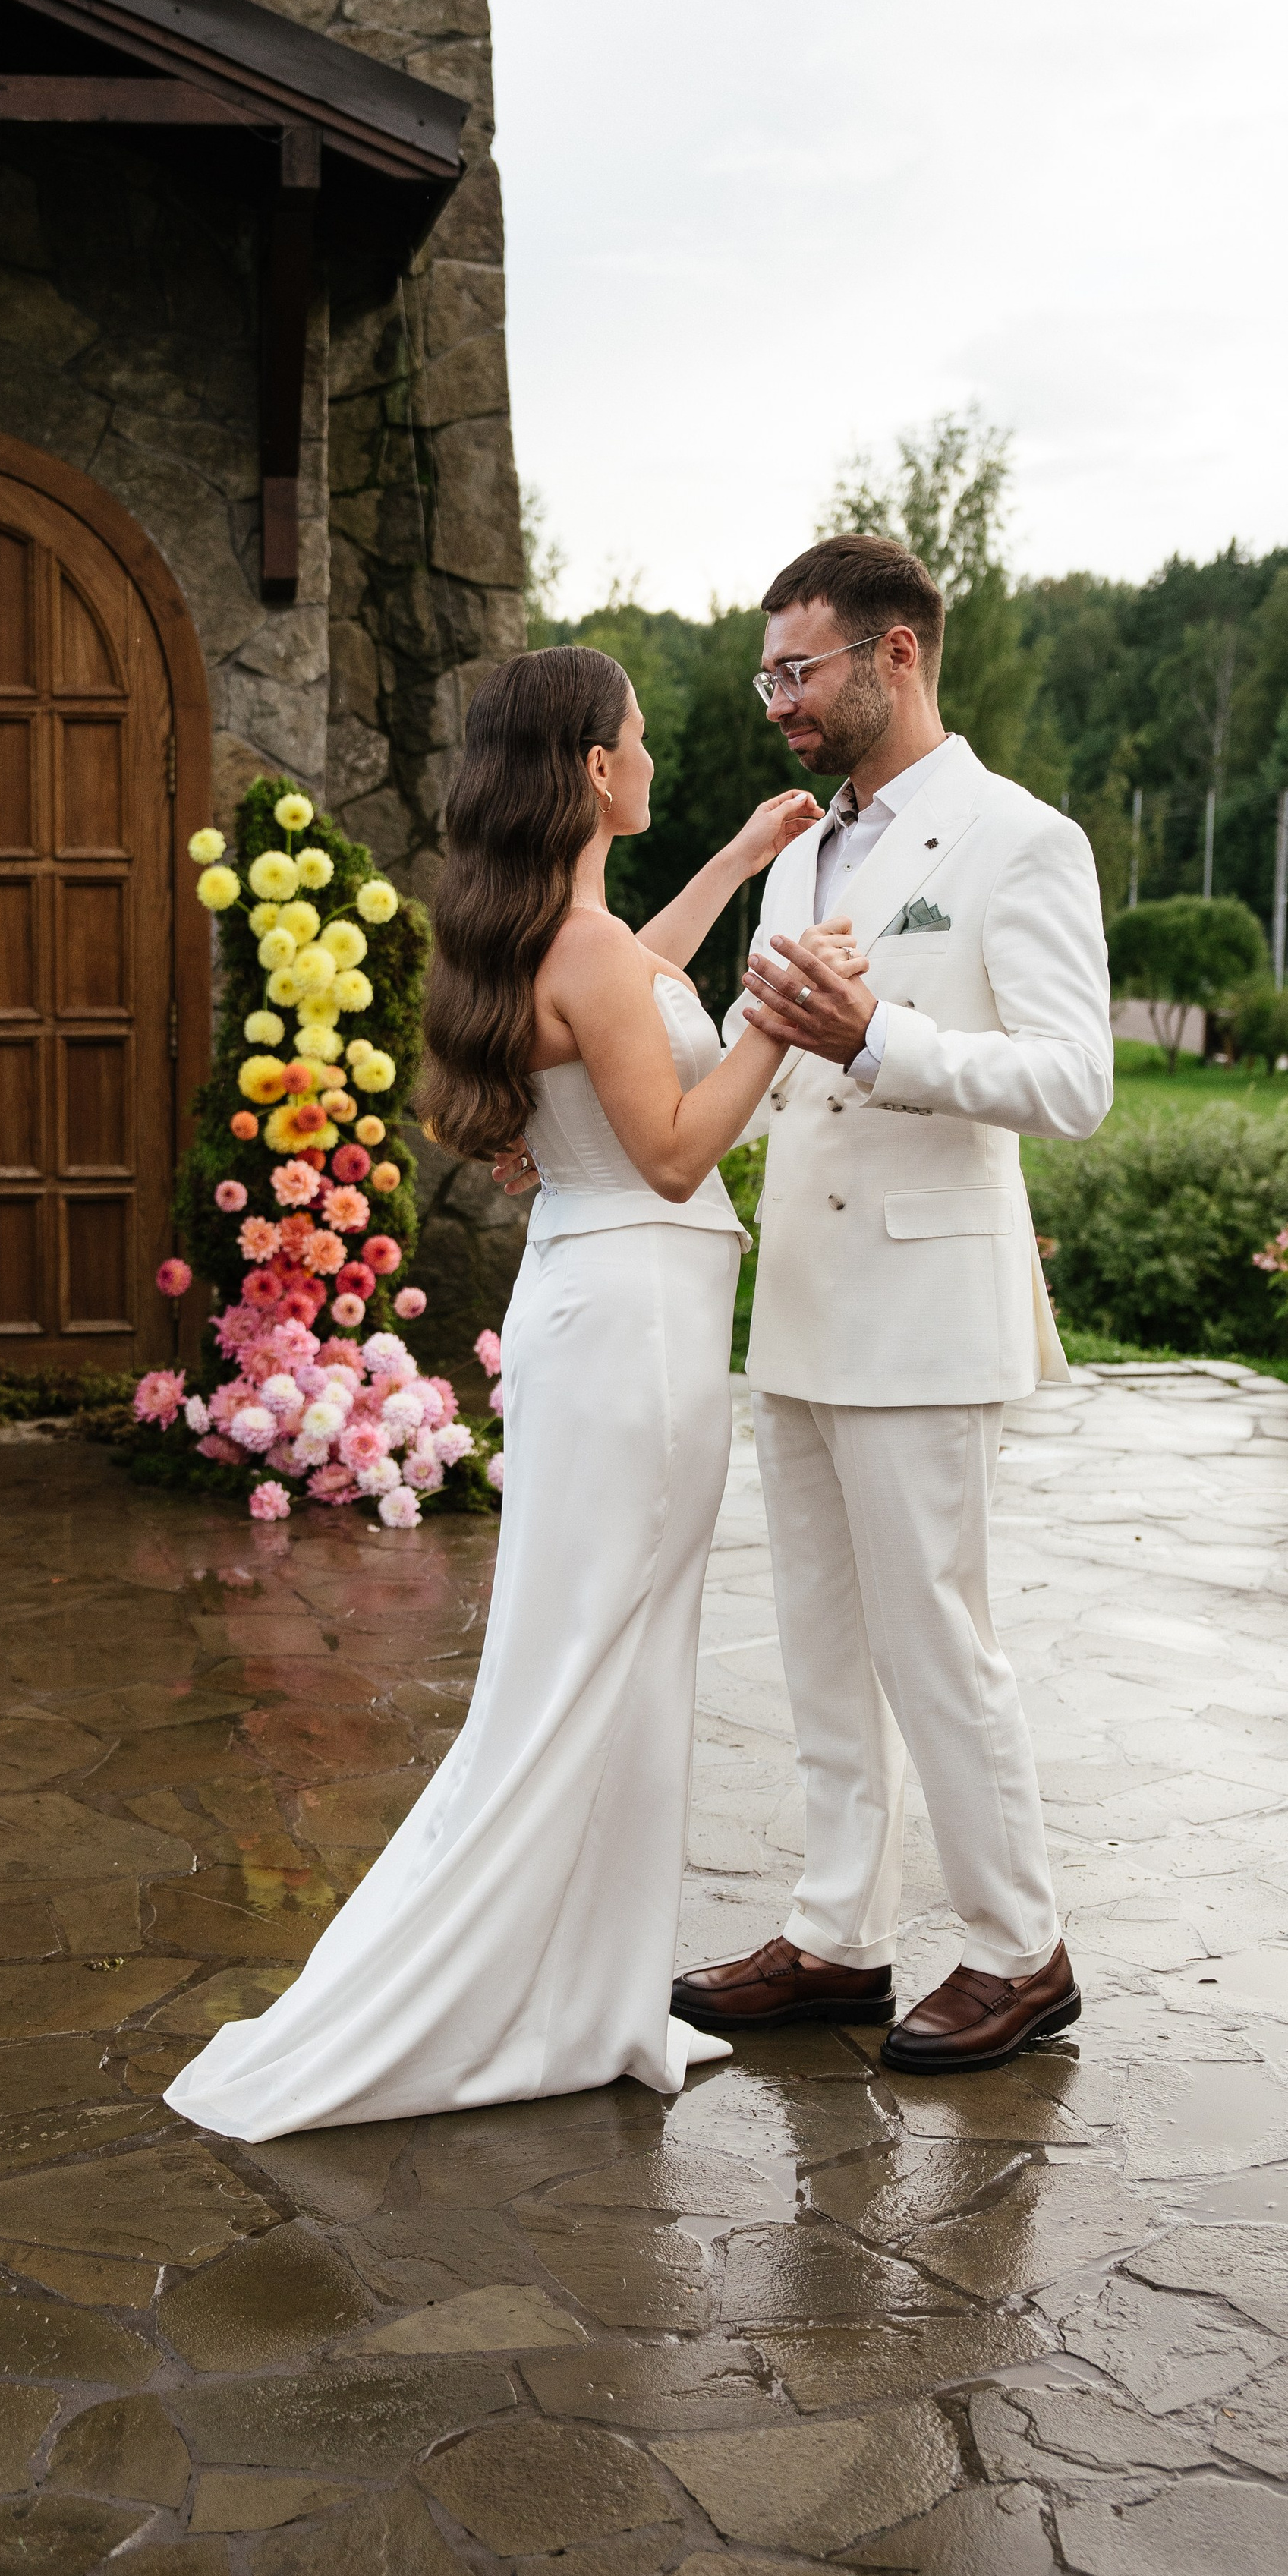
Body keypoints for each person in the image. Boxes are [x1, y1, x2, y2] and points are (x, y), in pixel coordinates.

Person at [163, 646, 823, 2141]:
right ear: (593, 767)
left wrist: (726, 864)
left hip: (600, 1306)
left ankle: (589, 2002)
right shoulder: (581, 953)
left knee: (602, 1659)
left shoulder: (569, 935)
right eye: (640, 740)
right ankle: (506, 1999)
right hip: (639, 1323)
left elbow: (637, 994)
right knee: (595, 1663)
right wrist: (778, 1022)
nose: (653, 756)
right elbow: (670, 1150)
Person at [665, 533, 1113, 2072]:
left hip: (924, 1312)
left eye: (798, 670)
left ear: (895, 655)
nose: (776, 701)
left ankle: (1017, 1949)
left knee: (936, 1643)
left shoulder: (1020, 837)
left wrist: (881, 1039)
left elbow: (1072, 1082)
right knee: (813, 1636)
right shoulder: (797, 851)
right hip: (797, 1296)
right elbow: (746, 1039)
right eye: (765, 674)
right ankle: (835, 1935)